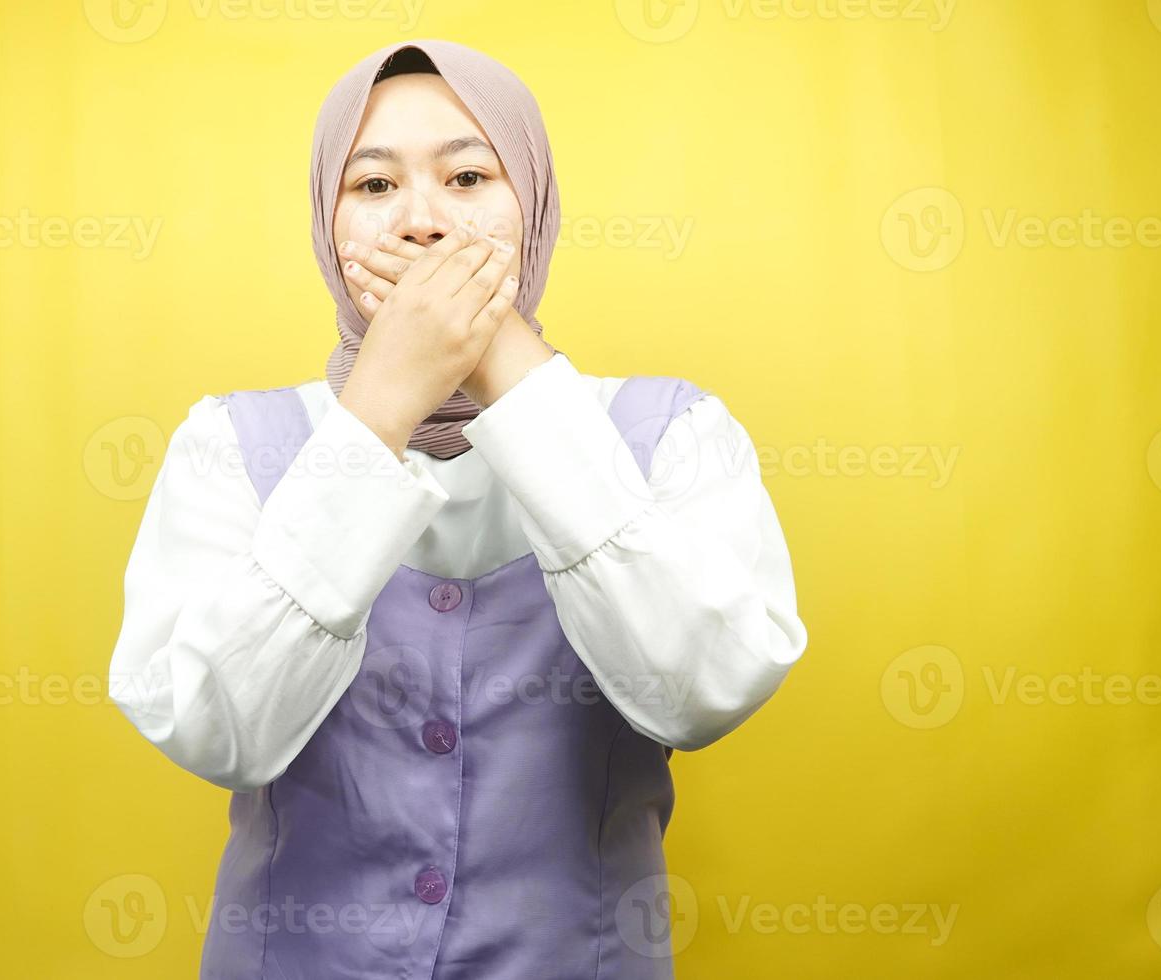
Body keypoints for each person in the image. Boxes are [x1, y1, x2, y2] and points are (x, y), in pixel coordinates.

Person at [108, 38, 808, 979]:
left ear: (536, 204)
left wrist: (502, 361)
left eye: (469, 176)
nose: (424, 223)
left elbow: (702, 690)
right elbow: (213, 729)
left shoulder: (674, 433)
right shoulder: (230, 445)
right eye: (373, 187)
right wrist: (382, 403)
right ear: (326, 219)